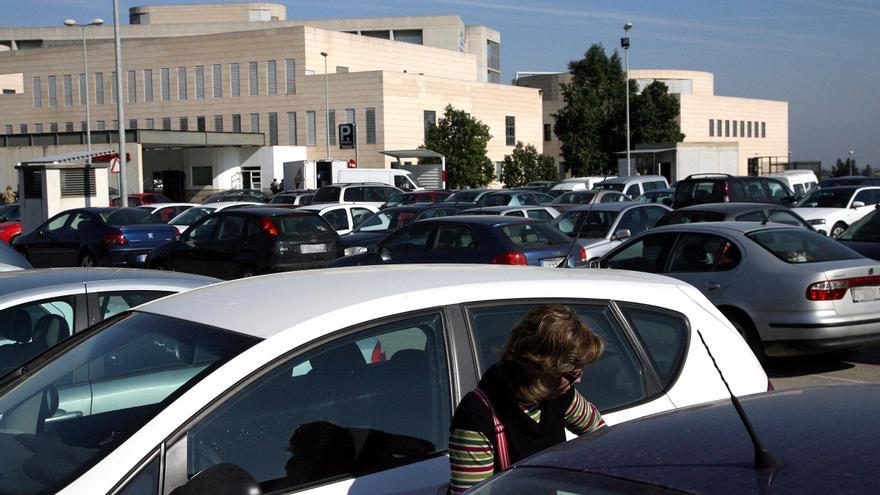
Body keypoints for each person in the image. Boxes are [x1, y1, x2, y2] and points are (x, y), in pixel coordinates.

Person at [448, 305, 606, 494]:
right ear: (542, 369)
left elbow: (602, 436)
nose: (578, 380)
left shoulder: (561, 394)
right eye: (572, 375)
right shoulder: (477, 417)